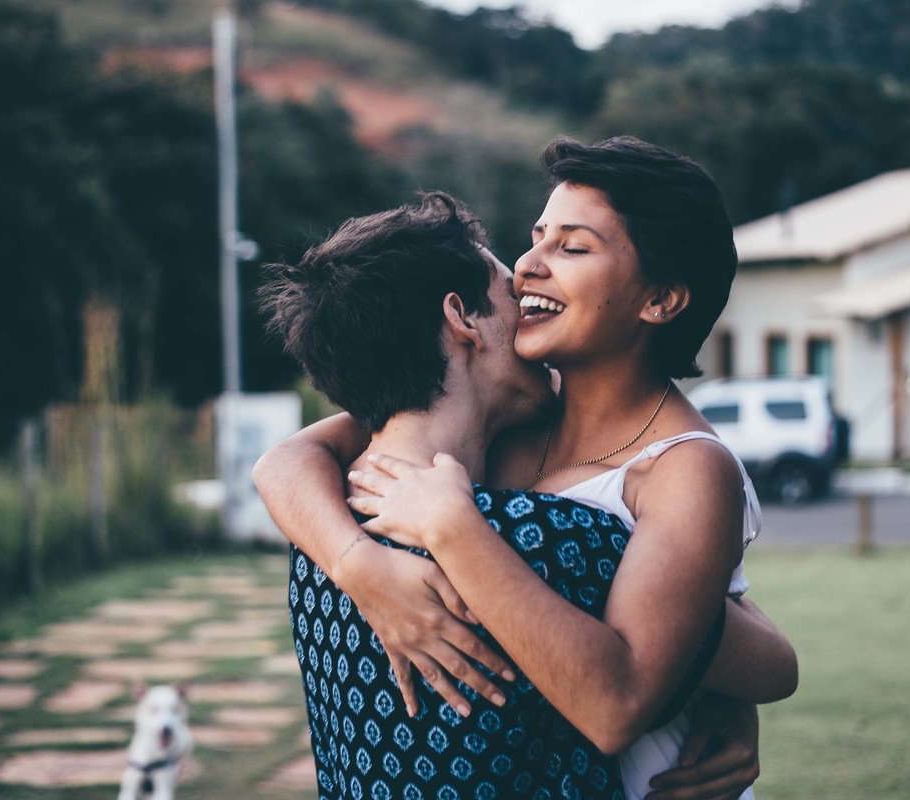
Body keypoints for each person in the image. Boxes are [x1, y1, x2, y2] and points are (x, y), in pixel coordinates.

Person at [257, 139, 798, 799]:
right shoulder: (510, 424)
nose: (525, 268)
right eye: (536, 237)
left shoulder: (682, 469)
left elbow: (701, 657)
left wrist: (712, 683)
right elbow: (288, 458)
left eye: (571, 248)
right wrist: (355, 563)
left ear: (659, 299)